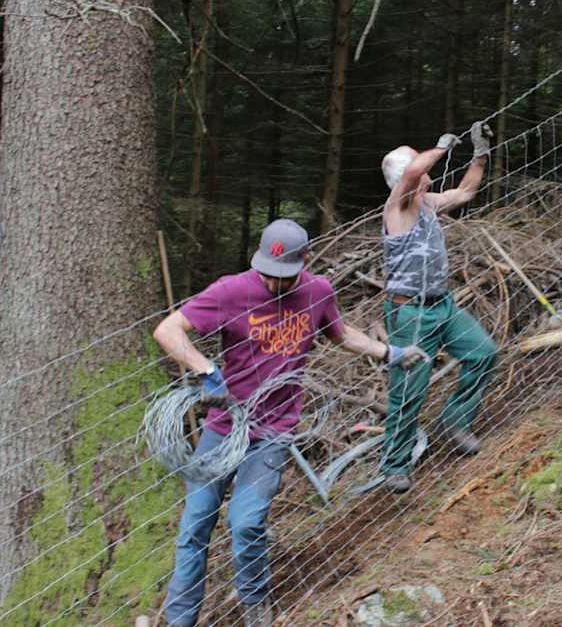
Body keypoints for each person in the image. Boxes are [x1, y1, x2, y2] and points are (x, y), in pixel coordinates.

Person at [153, 218, 426, 627]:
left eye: (283, 276)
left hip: (273, 433)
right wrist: (206, 369)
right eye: (267, 273)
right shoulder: (232, 291)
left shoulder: (317, 293)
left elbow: (342, 334)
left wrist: (389, 353)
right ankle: (179, 621)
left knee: (246, 524)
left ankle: (256, 609)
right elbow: (168, 329)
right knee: (194, 528)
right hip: (224, 429)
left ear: (305, 262)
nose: (273, 282)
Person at [377, 123, 500, 494]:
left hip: (441, 306)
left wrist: (480, 153)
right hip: (410, 314)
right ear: (406, 177)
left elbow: (465, 191)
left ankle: (455, 419)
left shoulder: (429, 204)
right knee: (409, 390)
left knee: (482, 353)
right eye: (419, 169)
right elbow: (414, 171)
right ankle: (395, 465)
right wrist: (442, 145)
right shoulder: (397, 206)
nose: (427, 174)